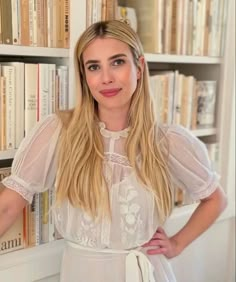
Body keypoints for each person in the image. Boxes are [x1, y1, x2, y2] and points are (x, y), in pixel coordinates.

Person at [0, 20, 227, 282]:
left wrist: (176, 244)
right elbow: (8, 207)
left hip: (145, 272)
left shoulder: (167, 141)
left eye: (117, 62)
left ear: (139, 67)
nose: (106, 77)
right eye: (94, 67)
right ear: (84, 75)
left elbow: (215, 199)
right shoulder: (59, 131)